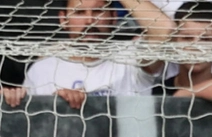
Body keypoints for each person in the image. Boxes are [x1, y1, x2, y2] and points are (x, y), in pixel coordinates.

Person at [24, 0, 175, 108]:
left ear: (114, 17)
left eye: (98, 11)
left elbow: (165, 29)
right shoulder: (44, 68)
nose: (90, 20)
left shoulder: (131, 57)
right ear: (63, 19)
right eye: (79, 12)